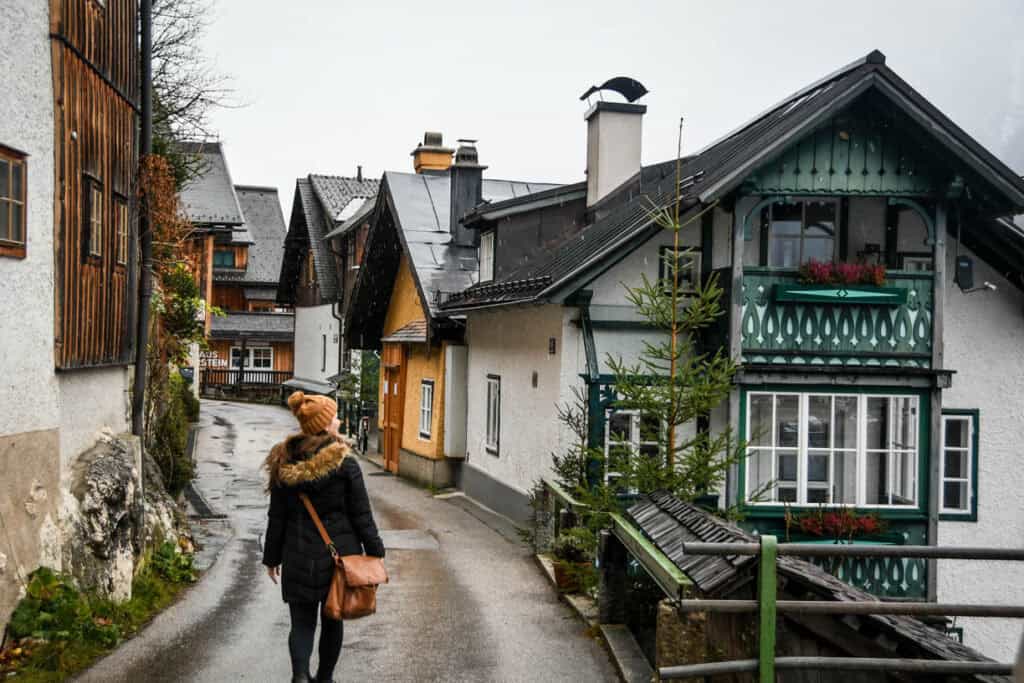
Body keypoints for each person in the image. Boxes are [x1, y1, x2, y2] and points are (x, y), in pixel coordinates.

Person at [262, 391, 385, 683]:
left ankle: (300, 676)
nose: (340, 421)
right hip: (338, 560)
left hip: (297, 555)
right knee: (332, 622)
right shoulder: (346, 464)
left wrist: (271, 558)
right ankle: (325, 678)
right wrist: (376, 552)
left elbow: (277, 517)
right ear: (324, 424)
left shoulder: (284, 461)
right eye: (334, 417)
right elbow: (361, 515)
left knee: (301, 624)